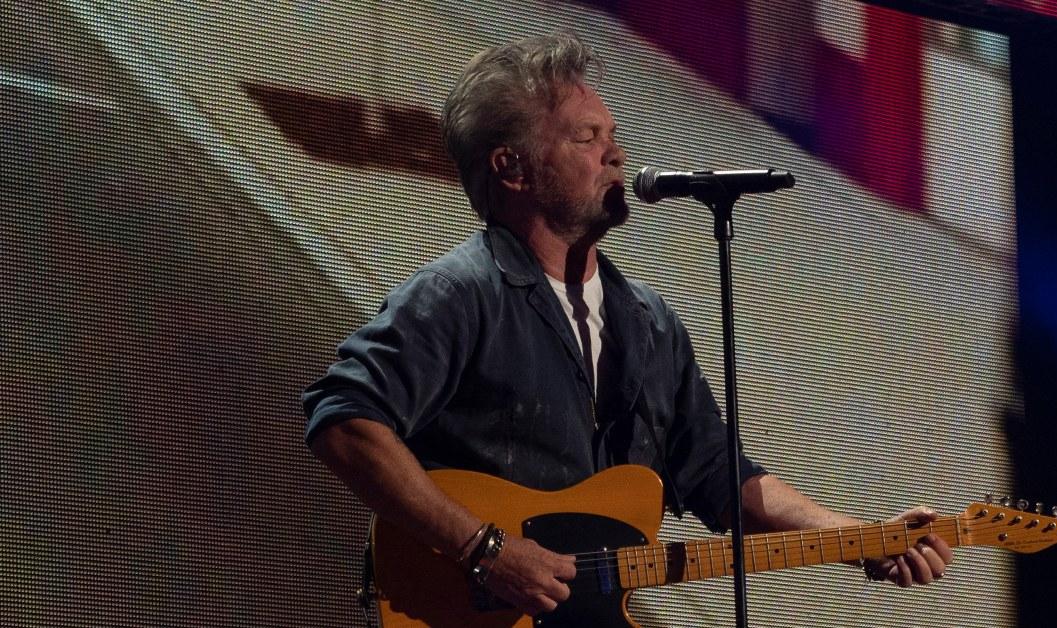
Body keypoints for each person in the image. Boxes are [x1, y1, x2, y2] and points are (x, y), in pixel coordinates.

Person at [303, 31, 952, 618]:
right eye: (586, 138)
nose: (616, 153)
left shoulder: (649, 322)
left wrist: (861, 539)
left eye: (612, 134)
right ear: (512, 168)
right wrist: (486, 550)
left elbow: (723, 480)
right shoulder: (463, 292)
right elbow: (344, 418)